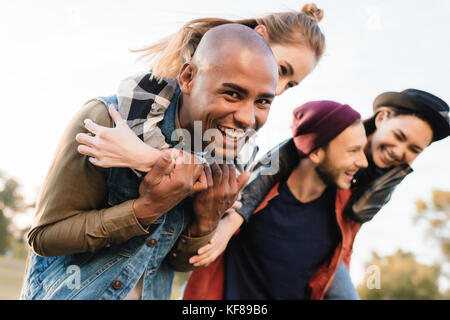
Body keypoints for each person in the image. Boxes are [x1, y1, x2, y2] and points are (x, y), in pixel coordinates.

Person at [20, 24, 278, 300]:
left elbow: (177, 263)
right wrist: (146, 209)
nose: (249, 118)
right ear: (188, 77)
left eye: (262, 101)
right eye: (232, 94)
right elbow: (44, 237)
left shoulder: (226, 159)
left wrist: (207, 219)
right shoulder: (108, 121)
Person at [184, 88, 450, 299]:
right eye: (400, 136)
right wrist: (236, 218)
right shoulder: (338, 129)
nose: (401, 152)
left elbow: (354, 222)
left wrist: (397, 173)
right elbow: (282, 157)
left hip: (326, 254)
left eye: (414, 150)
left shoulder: (386, 175)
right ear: (381, 118)